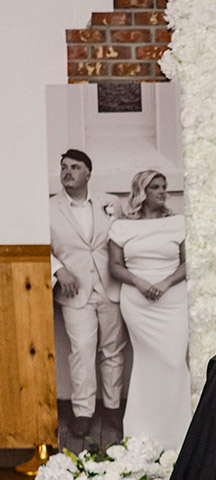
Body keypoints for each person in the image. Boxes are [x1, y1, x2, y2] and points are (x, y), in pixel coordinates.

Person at [108, 171, 191, 451]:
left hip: (173, 300)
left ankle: (180, 434)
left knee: (174, 362)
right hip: (138, 301)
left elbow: (188, 262)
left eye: (164, 187)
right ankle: (142, 432)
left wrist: (165, 282)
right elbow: (115, 266)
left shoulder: (178, 223)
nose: (162, 192)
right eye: (155, 187)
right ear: (141, 192)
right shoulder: (121, 227)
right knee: (146, 363)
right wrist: (140, 282)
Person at [49, 149, 128, 440]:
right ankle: (82, 412)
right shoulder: (48, 208)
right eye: (64, 167)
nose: (67, 171)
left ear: (88, 174)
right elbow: (40, 246)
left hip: (110, 285)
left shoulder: (110, 203)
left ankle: (112, 408)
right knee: (81, 350)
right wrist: (58, 270)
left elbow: (122, 239)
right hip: (74, 290)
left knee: (113, 351)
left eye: (75, 167)